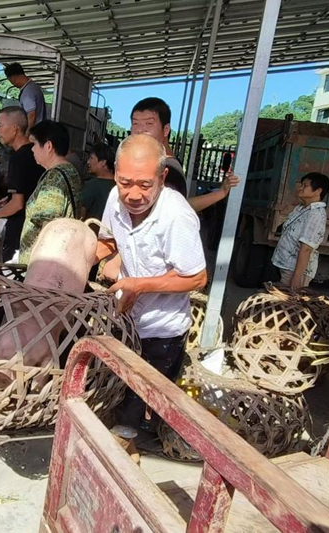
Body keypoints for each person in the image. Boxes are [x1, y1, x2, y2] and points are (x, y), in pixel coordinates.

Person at [94, 134, 207, 442]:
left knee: (139, 409)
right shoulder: (113, 199)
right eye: (125, 181)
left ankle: (137, 444)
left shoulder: (175, 216)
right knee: (119, 390)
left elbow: (196, 278)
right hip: (127, 321)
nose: (132, 194)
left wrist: (139, 285)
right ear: (116, 172)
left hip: (162, 329)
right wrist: (76, 256)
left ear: (163, 177)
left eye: (144, 185)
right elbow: (107, 241)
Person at [129, 97, 239, 210]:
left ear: (166, 130)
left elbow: (174, 209)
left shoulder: (167, 168)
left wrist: (220, 193)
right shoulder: (153, 163)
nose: (140, 130)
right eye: (135, 123)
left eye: (149, 123)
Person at [0, 106, 44, 262]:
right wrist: (9, 198)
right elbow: (28, 189)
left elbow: (17, 204)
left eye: (0, 125)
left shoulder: (18, 158)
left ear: (15, 129)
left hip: (20, 231)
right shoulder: (34, 153)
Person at [18, 120, 82, 263]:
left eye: (34, 144)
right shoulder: (69, 170)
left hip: (41, 266)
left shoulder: (54, 178)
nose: (32, 149)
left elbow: (48, 226)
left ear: (48, 146)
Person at [271, 172, 329, 289]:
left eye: (305, 185)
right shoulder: (301, 208)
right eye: (301, 185)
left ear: (318, 191)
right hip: (286, 265)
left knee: (288, 302)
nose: (300, 188)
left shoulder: (316, 214)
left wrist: (297, 278)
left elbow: (306, 249)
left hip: (294, 269)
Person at [4, 62, 47, 128]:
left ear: (13, 77)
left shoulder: (28, 92)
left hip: (33, 132)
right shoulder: (34, 87)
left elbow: (31, 115)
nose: (11, 83)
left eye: (10, 80)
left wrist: (27, 134)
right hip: (39, 129)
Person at [81, 143, 115, 221]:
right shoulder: (119, 186)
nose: (88, 162)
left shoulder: (91, 186)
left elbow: (81, 215)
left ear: (103, 162)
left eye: (91, 158)